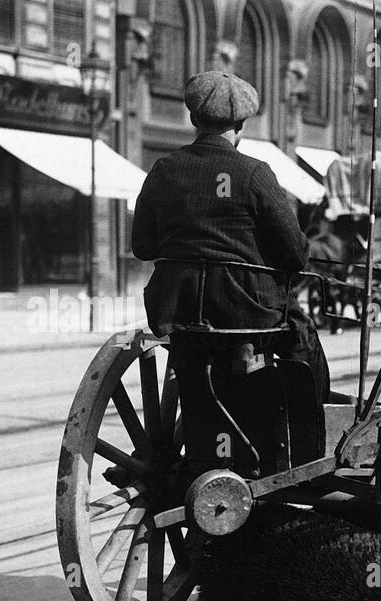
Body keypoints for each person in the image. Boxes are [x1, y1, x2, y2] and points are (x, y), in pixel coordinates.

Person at [132, 70, 329, 402]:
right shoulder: (254, 173)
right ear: (240, 125)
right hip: (247, 313)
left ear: (194, 118)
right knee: (302, 335)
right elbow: (296, 255)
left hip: (176, 309)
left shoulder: (164, 169)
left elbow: (142, 246)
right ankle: (315, 417)